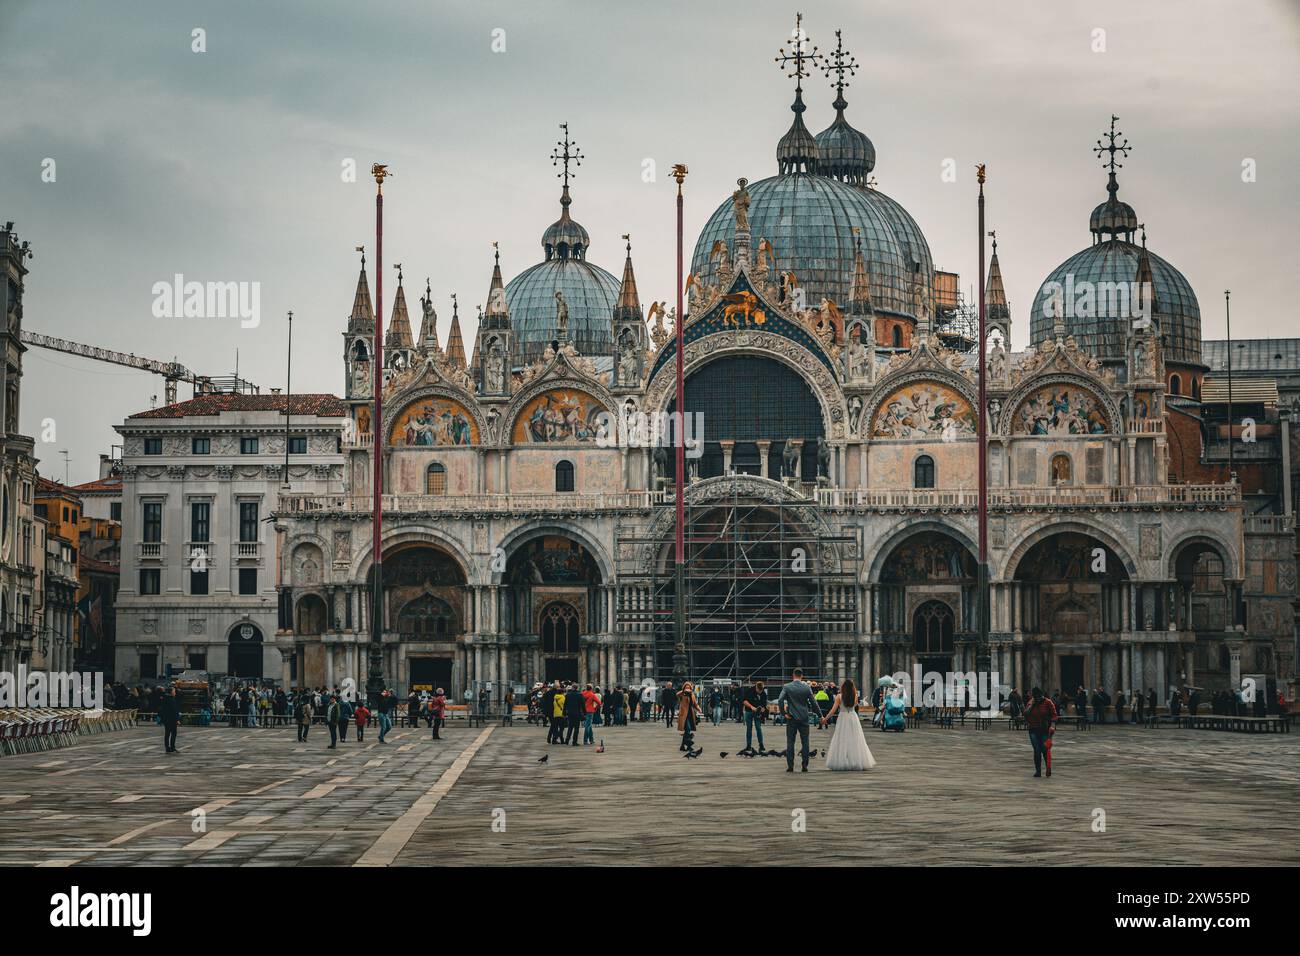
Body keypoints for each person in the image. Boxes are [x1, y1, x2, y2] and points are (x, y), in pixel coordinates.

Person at [819, 679, 875, 770]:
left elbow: (833, 711)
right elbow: (855, 706)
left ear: (843, 687)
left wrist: (825, 719)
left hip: (843, 717)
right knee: (855, 739)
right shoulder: (855, 696)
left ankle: (843, 760)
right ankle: (856, 760)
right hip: (853, 717)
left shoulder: (839, 696)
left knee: (842, 739)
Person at [777, 669, 822, 773]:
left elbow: (780, 700)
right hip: (804, 718)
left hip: (791, 718)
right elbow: (813, 703)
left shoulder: (787, 687)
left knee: (790, 742)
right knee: (805, 742)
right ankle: (804, 765)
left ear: (793, 675)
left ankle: (790, 766)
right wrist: (820, 715)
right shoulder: (807, 687)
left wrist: (784, 713)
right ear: (802, 676)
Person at [1023, 686, 1057, 777]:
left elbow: (1054, 715)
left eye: (1039, 697)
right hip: (1033, 729)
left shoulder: (1048, 702)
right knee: (1037, 750)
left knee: (1044, 749)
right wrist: (1031, 706)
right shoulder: (1031, 702)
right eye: (1035, 697)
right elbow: (1025, 714)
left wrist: (1052, 726)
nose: (1037, 699)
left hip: (1044, 730)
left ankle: (1048, 768)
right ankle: (1038, 771)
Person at [742, 679, 768, 753]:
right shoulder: (750, 690)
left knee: (758, 728)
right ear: (756, 687)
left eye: (761, 691)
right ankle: (748, 746)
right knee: (749, 728)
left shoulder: (763, 693)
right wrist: (751, 707)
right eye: (758, 690)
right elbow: (744, 701)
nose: (759, 692)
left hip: (758, 713)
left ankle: (761, 745)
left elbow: (764, 703)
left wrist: (763, 708)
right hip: (749, 711)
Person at [159, 686, 181, 754]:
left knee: (167, 734)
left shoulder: (164, 699)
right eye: (174, 691)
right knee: (173, 733)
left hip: (166, 719)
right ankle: (172, 747)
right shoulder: (171, 700)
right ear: (171, 692)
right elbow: (174, 711)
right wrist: (177, 719)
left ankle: (167, 747)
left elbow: (162, 710)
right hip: (172, 720)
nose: (175, 693)